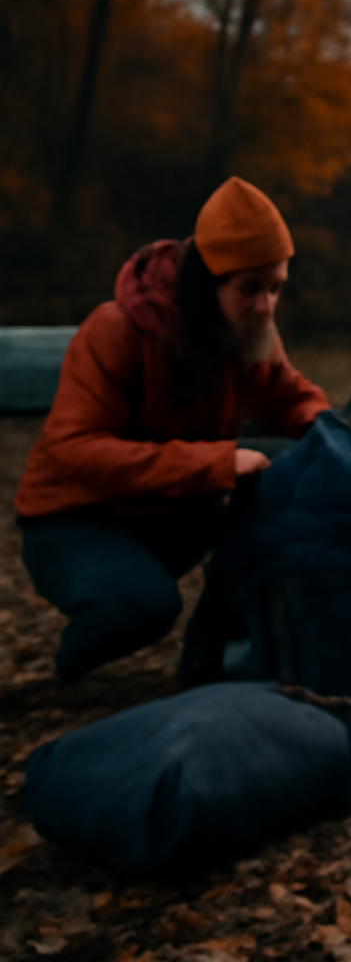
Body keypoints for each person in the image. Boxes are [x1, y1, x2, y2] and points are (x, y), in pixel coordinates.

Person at [14, 177, 329, 683]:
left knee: (285, 483)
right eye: (250, 288)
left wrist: (335, 436)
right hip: (77, 519)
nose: (266, 305)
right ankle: (66, 679)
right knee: (141, 608)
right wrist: (218, 463)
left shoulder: (245, 331)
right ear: (207, 283)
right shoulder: (116, 330)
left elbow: (288, 398)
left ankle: (216, 660)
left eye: (275, 288)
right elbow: (77, 450)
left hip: (171, 509)